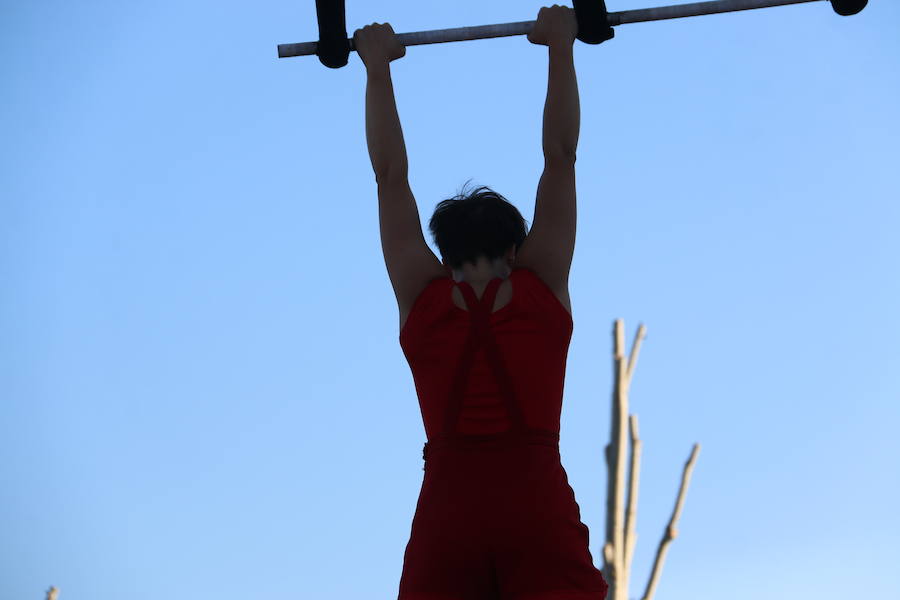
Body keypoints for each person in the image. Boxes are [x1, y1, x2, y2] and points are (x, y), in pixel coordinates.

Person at [355, 5, 608, 599]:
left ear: (443, 257)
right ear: (516, 249)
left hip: (450, 510)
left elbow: (389, 177)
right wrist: (561, 46)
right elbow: (561, 158)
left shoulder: (424, 293)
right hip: (535, 502)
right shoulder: (540, 283)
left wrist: (376, 69)